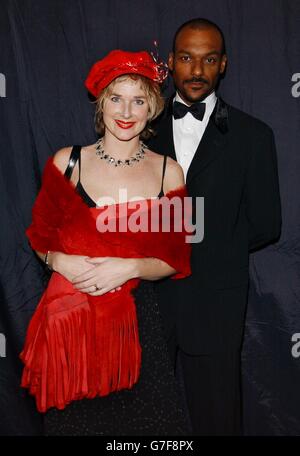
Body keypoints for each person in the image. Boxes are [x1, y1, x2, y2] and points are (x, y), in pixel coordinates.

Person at [20, 50, 192, 436]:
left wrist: (130, 266)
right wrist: (57, 261)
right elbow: (39, 236)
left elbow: (178, 255)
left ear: (153, 108)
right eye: (116, 97)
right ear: (101, 102)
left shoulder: (169, 172)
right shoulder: (67, 162)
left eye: (138, 100)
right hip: (73, 329)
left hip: (138, 328)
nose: (126, 111)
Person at [149, 18, 282, 435]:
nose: (197, 71)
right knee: (141, 420)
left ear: (223, 64)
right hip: (144, 301)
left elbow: (266, 224)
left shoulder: (253, 136)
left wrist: (208, 242)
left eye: (209, 60)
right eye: (187, 58)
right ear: (171, 62)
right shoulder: (138, 132)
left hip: (216, 302)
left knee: (217, 420)